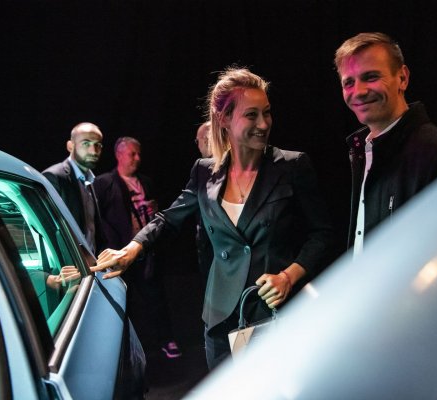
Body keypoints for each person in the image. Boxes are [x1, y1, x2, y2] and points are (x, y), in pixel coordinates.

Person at [91, 67, 334, 370]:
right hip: (220, 315)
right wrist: (131, 249)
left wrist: (288, 276)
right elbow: (168, 219)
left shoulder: (292, 166)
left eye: (267, 113)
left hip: (273, 312)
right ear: (224, 119)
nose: (263, 124)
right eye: (251, 115)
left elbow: (323, 234)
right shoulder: (204, 171)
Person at [334, 32, 437, 255]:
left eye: (371, 77)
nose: (359, 91)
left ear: (403, 78)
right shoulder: (362, 150)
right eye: (349, 82)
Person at [93, 137, 181, 359]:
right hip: (118, 251)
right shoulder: (104, 183)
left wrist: (153, 210)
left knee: (155, 297)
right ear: (119, 155)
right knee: (122, 301)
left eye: (139, 154)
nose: (137, 158)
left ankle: (165, 340)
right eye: (132, 154)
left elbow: (158, 214)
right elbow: (96, 218)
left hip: (144, 251)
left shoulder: (145, 182)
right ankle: (123, 348)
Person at [43, 122, 105, 255]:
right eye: (86, 143)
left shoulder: (90, 181)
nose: (93, 151)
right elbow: (48, 229)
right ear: (70, 146)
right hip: (67, 264)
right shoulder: (54, 176)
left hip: (90, 263)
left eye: (98, 145)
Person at [194, 121, 213, 283]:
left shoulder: (204, 169)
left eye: (197, 141)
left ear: (206, 140)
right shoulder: (201, 170)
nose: (198, 146)